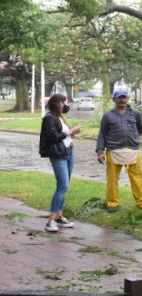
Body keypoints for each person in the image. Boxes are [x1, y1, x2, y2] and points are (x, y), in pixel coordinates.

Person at [96, 90, 142, 212]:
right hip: (114, 151)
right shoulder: (108, 116)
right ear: (114, 100)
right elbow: (102, 135)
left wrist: (131, 137)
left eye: (124, 98)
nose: (122, 100)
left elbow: (141, 129)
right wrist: (100, 151)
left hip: (133, 150)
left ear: (128, 99)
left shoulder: (135, 113)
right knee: (112, 179)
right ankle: (112, 204)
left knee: (137, 178)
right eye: (119, 98)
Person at [39, 94, 82, 232]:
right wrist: (71, 131)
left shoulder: (59, 117)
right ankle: (51, 220)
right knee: (62, 185)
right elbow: (53, 137)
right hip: (58, 154)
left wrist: (71, 136)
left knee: (65, 185)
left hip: (68, 152)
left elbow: (63, 135)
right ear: (58, 103)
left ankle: (59, 216)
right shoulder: (49, 118)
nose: (66, 105)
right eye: (64, 102)